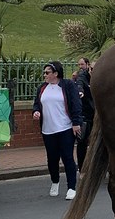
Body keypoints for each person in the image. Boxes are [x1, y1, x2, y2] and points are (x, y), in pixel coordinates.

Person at [32, 61, 83, 200]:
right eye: (44, 72)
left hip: (65, 128)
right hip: (48, 129)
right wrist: (36, 111)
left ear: (56, 73)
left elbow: (76, 104)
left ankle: (71, 187)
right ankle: (55, 182)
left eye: (47, 72)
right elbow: (37, 104)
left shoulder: (67, 85)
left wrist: (76, 123)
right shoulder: (42, 88)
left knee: (67, 157)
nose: (45, 75)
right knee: (52, 159)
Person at [73, 57, 94, 173]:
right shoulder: (82, 76)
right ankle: (82, 168)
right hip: (85, 115)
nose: (80, 67)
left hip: (97, 115)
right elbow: (79, 84)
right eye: (92, 69)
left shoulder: (100, 78)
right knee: (82, 142)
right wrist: (80, 91)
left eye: (82, 64)